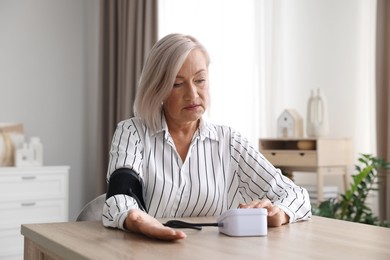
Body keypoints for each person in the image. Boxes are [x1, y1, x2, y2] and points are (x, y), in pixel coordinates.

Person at [102, 33, 311, 241]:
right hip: (147, 249)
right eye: (177, 83)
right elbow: (121, 194)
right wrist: (138, 220)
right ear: (158, 88)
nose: (192, 94)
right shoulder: (132, 132)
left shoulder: (228, 141)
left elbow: (297, 195)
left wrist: (279, 213)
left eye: (200, 80)